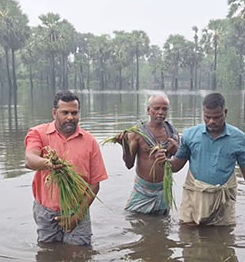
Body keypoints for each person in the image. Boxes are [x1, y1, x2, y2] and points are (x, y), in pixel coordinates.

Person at [161, 92, 245, 226]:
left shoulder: (238, 138)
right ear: (203, 113)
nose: (211, 121)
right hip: (194, 196)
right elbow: (176, 166)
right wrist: (164, 161)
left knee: (224, 236)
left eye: (217, 117)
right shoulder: (190, 135)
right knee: (187, 232)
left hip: (223, 200)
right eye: (207, 117)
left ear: (225, 113)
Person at [24, 91, 108, 246]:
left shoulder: (90, 141)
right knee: (47, 254)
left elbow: (94, 184)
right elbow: (30, 160)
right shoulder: (38, 133)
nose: (70, 117)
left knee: (80, 254)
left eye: (74, 113)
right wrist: (48, 163)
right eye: (65, 113)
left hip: (77, 209)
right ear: (55, 113)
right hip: (46, 210)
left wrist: (77, 216)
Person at [114, 93, 179, 215]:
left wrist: (175, 149)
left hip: (163, 188)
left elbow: (177, 163)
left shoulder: (173, 133)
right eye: (156, 108)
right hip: (143, 189)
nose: (160, 112)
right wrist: (124, 146)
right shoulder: (137, 134)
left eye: (164, 109)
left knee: (162, 222)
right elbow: (129, 164)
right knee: (133, 218)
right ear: (149, 110)